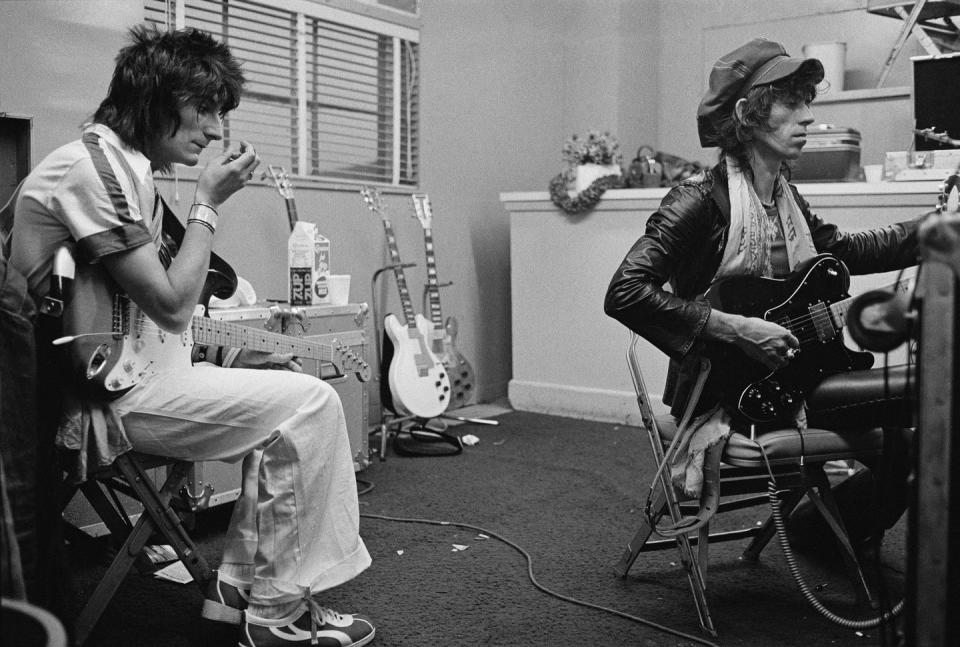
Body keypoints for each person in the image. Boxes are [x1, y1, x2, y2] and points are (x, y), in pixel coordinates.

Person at [9, 26, 375, 647]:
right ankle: (276, 613)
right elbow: (175, 306)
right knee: (311, 405)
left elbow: (161, 302)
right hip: (91, 400)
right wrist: (208, 203)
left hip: (133, 375)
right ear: (155, 98)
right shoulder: (92, 168)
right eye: (203, 109)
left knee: (286, 389)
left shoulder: (129, 168)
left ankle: (239, 584)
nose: (213, 130)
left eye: (219, 113)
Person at [604, 38, 919, 546]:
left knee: (912, 440)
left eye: (807, 102)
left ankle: (819, 530)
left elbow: (845, 253)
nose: (809, 117)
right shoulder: (697, 200)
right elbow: (625, 291)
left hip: (796, 374)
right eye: (791, 103)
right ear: (748, 114)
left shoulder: (785, 196)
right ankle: (823, 535)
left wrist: (933, 232)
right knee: (915, 392)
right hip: (726, 391)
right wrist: (738, 328)